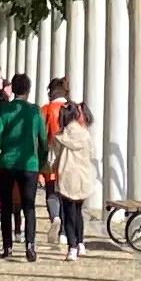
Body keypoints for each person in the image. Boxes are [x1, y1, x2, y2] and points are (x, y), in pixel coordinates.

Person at [0, 72, 47, 259]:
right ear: (28, 90)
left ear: (12, 89)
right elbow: (43, 141)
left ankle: (7, 247)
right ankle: (30, 246)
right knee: (29, 206)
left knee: (6, 205)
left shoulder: (3, 110)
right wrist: (41, 162)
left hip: (7, 162)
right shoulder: (35, 111)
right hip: (29, 164)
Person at [51, 95, 99, 260]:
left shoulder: (61, 136)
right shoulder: (85, 135)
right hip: (83, 176)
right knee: (78, 212)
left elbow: (56, 156)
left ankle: (71, 246)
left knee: (68, 213)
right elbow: (92, 154)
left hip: (66, 176)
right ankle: (80, 243)